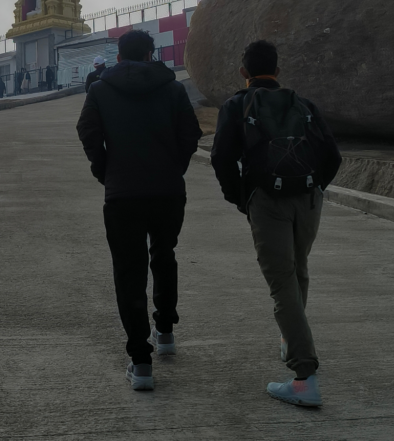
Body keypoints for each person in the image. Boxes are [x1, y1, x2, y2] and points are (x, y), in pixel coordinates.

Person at [210, 40, 342, 408]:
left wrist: (242, 198)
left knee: (281, 282)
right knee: (298, 270)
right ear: (278, 71)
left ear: (244, 72)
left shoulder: (237, 105)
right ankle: (290, 340)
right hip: (309, 199)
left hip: (267, 200)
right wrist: (313, 188)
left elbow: (221, 158)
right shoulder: (303, 103)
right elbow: (332, 155)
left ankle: (304, 378)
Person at [76, 30, 202, 391]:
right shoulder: (173, 88)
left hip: (122, 194)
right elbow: (190, 134)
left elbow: (87, 131)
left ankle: (141, 361)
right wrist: (174, 168)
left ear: (118, 57)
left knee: (129, 271)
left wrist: (105, 170)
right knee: (164, 256)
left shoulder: (99, 89)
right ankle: (165, 332)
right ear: (150, 54)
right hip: (166, 191)